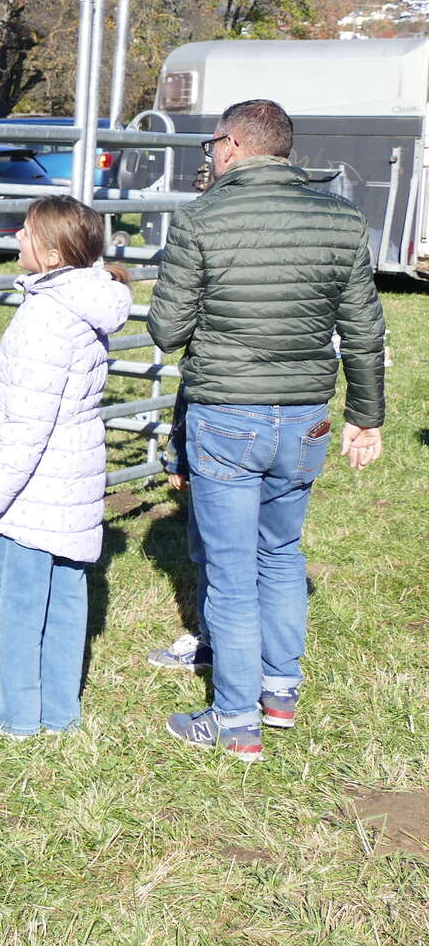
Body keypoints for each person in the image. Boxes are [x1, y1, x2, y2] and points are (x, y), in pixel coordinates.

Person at [145, 98, 385, 760]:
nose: (211, 156)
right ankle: (280, 694)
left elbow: (166, 330)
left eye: (212, 145)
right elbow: (365, 330)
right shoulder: (341, 219)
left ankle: (234, 721)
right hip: (305, 418)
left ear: (231, 144)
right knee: (280, 554)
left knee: (230, 571)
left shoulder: (200, 218)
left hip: (227, 414)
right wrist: (366, 416)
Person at [0, 196, 134, 738]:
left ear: (54, 255)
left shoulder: (47, 317)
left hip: (34, 490)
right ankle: (57, 712)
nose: (16, 237)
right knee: (64, 596)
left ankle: (9, 713)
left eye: (27, 232)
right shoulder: (84, 302)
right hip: (71, 479)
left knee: (13, 600)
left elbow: (26, 422)